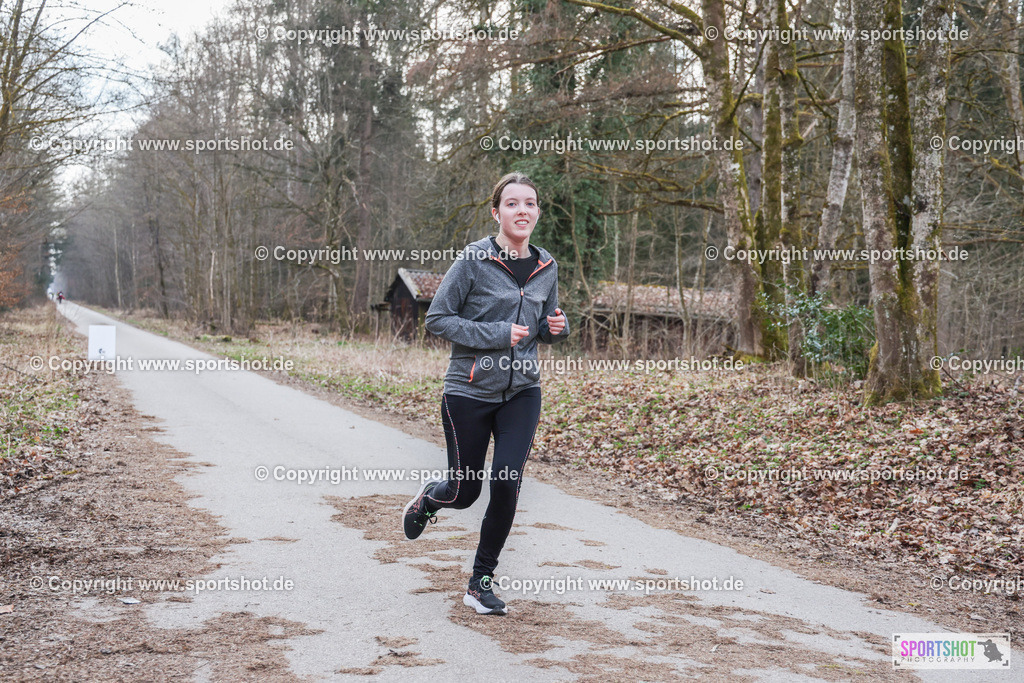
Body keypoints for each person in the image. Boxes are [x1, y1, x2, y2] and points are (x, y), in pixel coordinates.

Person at [402, 171, 569, 615]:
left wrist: (558, 328)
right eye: (512, 204)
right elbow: (437, 319)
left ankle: (480, 581)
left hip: (522, 393)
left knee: (507, 482)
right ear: (497, 212)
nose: (522, 211)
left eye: (530, 203)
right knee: (465, 492)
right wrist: (497, 334)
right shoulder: (473, 260)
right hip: (469, 391)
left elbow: (542, 327)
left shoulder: (546, 266)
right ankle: (429, 499)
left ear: (538, 212)